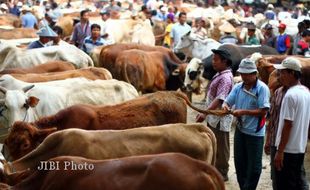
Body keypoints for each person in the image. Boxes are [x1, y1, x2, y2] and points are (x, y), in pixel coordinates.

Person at [223, 58, 270, 190]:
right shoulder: (238, 87)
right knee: (240, 164)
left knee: (254, 167)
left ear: (255, 73)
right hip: (240, 131)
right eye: (242, 73)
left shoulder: (262, 89)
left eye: (247, 74)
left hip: (255, 134)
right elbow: (227, 101)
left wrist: (243, 112)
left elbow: (263, 111)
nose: (244, 76)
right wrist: (226, 107)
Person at [196, 49, 234, 182]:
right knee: (215, 143)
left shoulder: (225, 77)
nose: (213, 62)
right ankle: (215, 170)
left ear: (224, 61)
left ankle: (222, 172)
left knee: (221, 146)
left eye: (216, 60)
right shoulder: (220, 74)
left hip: (219, 118)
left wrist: (204, 113)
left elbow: (219, 99)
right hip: (214, 116)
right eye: (213, 59)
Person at [273, 57, 310, 190]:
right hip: (299, 148)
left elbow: (288, 125)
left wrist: (280, 151)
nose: (279, 76)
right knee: (297, 184)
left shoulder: (290, 95)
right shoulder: (306, 92)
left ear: (292, 73)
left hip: (288, 150)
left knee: (285, 185)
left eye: (283, 72)